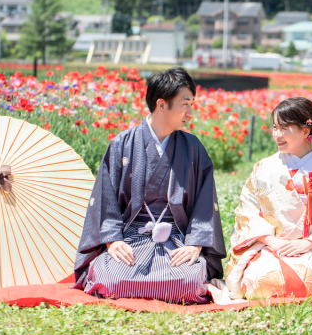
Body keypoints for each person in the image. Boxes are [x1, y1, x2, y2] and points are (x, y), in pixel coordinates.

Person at [73, 67, 226, 304]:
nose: (190, 112)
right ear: (162, 104)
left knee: (187, 280)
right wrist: (113, 240)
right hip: (131, 236)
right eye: (185, 104)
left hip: (176, 239)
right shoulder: (122, 144)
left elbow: (205, 204)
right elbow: (105, 199)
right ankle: (109, 267)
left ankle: (188, 271)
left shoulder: (193, 148)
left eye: (192, 104)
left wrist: (195, 244)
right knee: (112, 278)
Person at [221, 97, 312, 300]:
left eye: (284, 128)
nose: (277, 135)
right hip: (269, 247)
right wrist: (272, 241)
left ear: (305, 130)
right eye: (275, 127)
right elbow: (247, 212)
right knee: (263, 279)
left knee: (311, 279)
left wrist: (309, 243)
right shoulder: (264, 168)